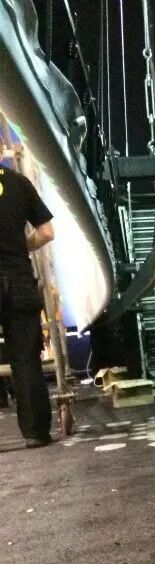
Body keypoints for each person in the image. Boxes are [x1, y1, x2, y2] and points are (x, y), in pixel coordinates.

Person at [0, 135, 55, 447]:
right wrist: (22, 246)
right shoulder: (19, 183)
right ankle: (35, 433)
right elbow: (46, 232)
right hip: (19, 279)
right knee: (26, 360)